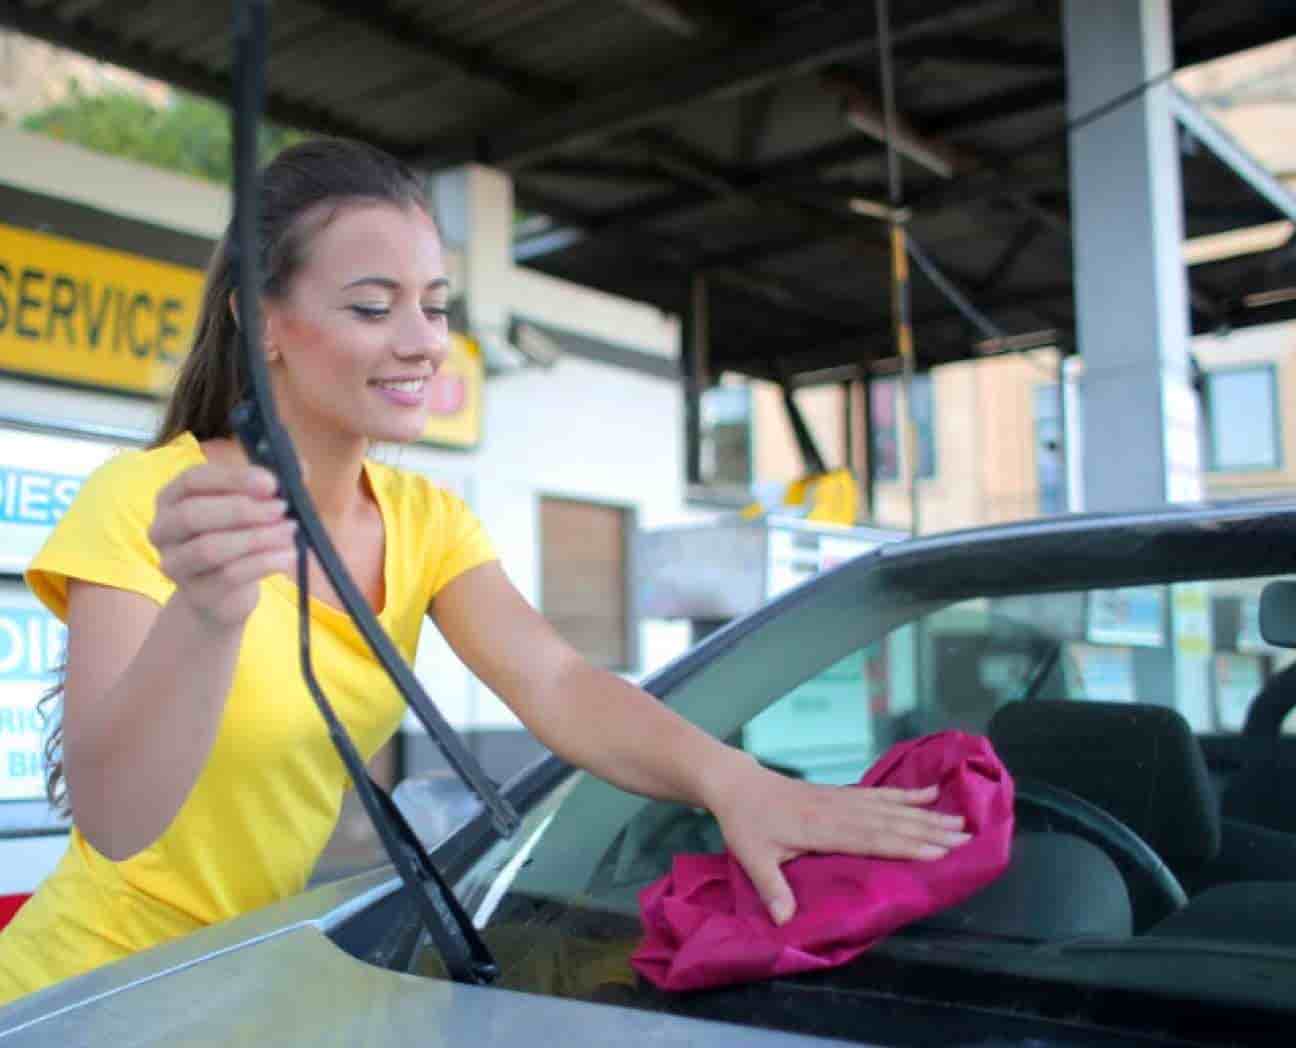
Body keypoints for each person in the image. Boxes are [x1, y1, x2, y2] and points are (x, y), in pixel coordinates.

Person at [0, 138, 969, 1006]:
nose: (424, 340)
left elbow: (558, 681)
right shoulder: (149, 500)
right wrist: (207, 615)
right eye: (374, 306)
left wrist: (735, 781)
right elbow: (117, 819)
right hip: (89, 988)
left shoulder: (426, 522)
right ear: (266, 327)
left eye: (435, 304)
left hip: (255, 976)